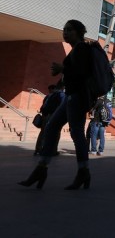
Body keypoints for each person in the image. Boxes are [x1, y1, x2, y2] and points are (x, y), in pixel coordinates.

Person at [19, 20, 95, 190]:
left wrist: (63, 68)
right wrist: (61, 72)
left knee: (76, 133)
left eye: (69, 30)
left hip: (77, 98)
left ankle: (83, 172)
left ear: (78, 32)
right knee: (52, 127)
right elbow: (74, 72)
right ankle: (41, 169)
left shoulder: (82, 48)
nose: (65, 33)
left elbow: (82, 73)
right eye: (64, 30)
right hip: (70, 97)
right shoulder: (76, 50)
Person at [34, 82, 65, 156]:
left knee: (43, 133)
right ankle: (53, 150)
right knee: (56, 133)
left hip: (46, 115)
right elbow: (62, 105)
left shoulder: (48, 96)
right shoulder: (61, 95)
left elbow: (43, 107)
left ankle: (38, 149)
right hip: (54, 116)